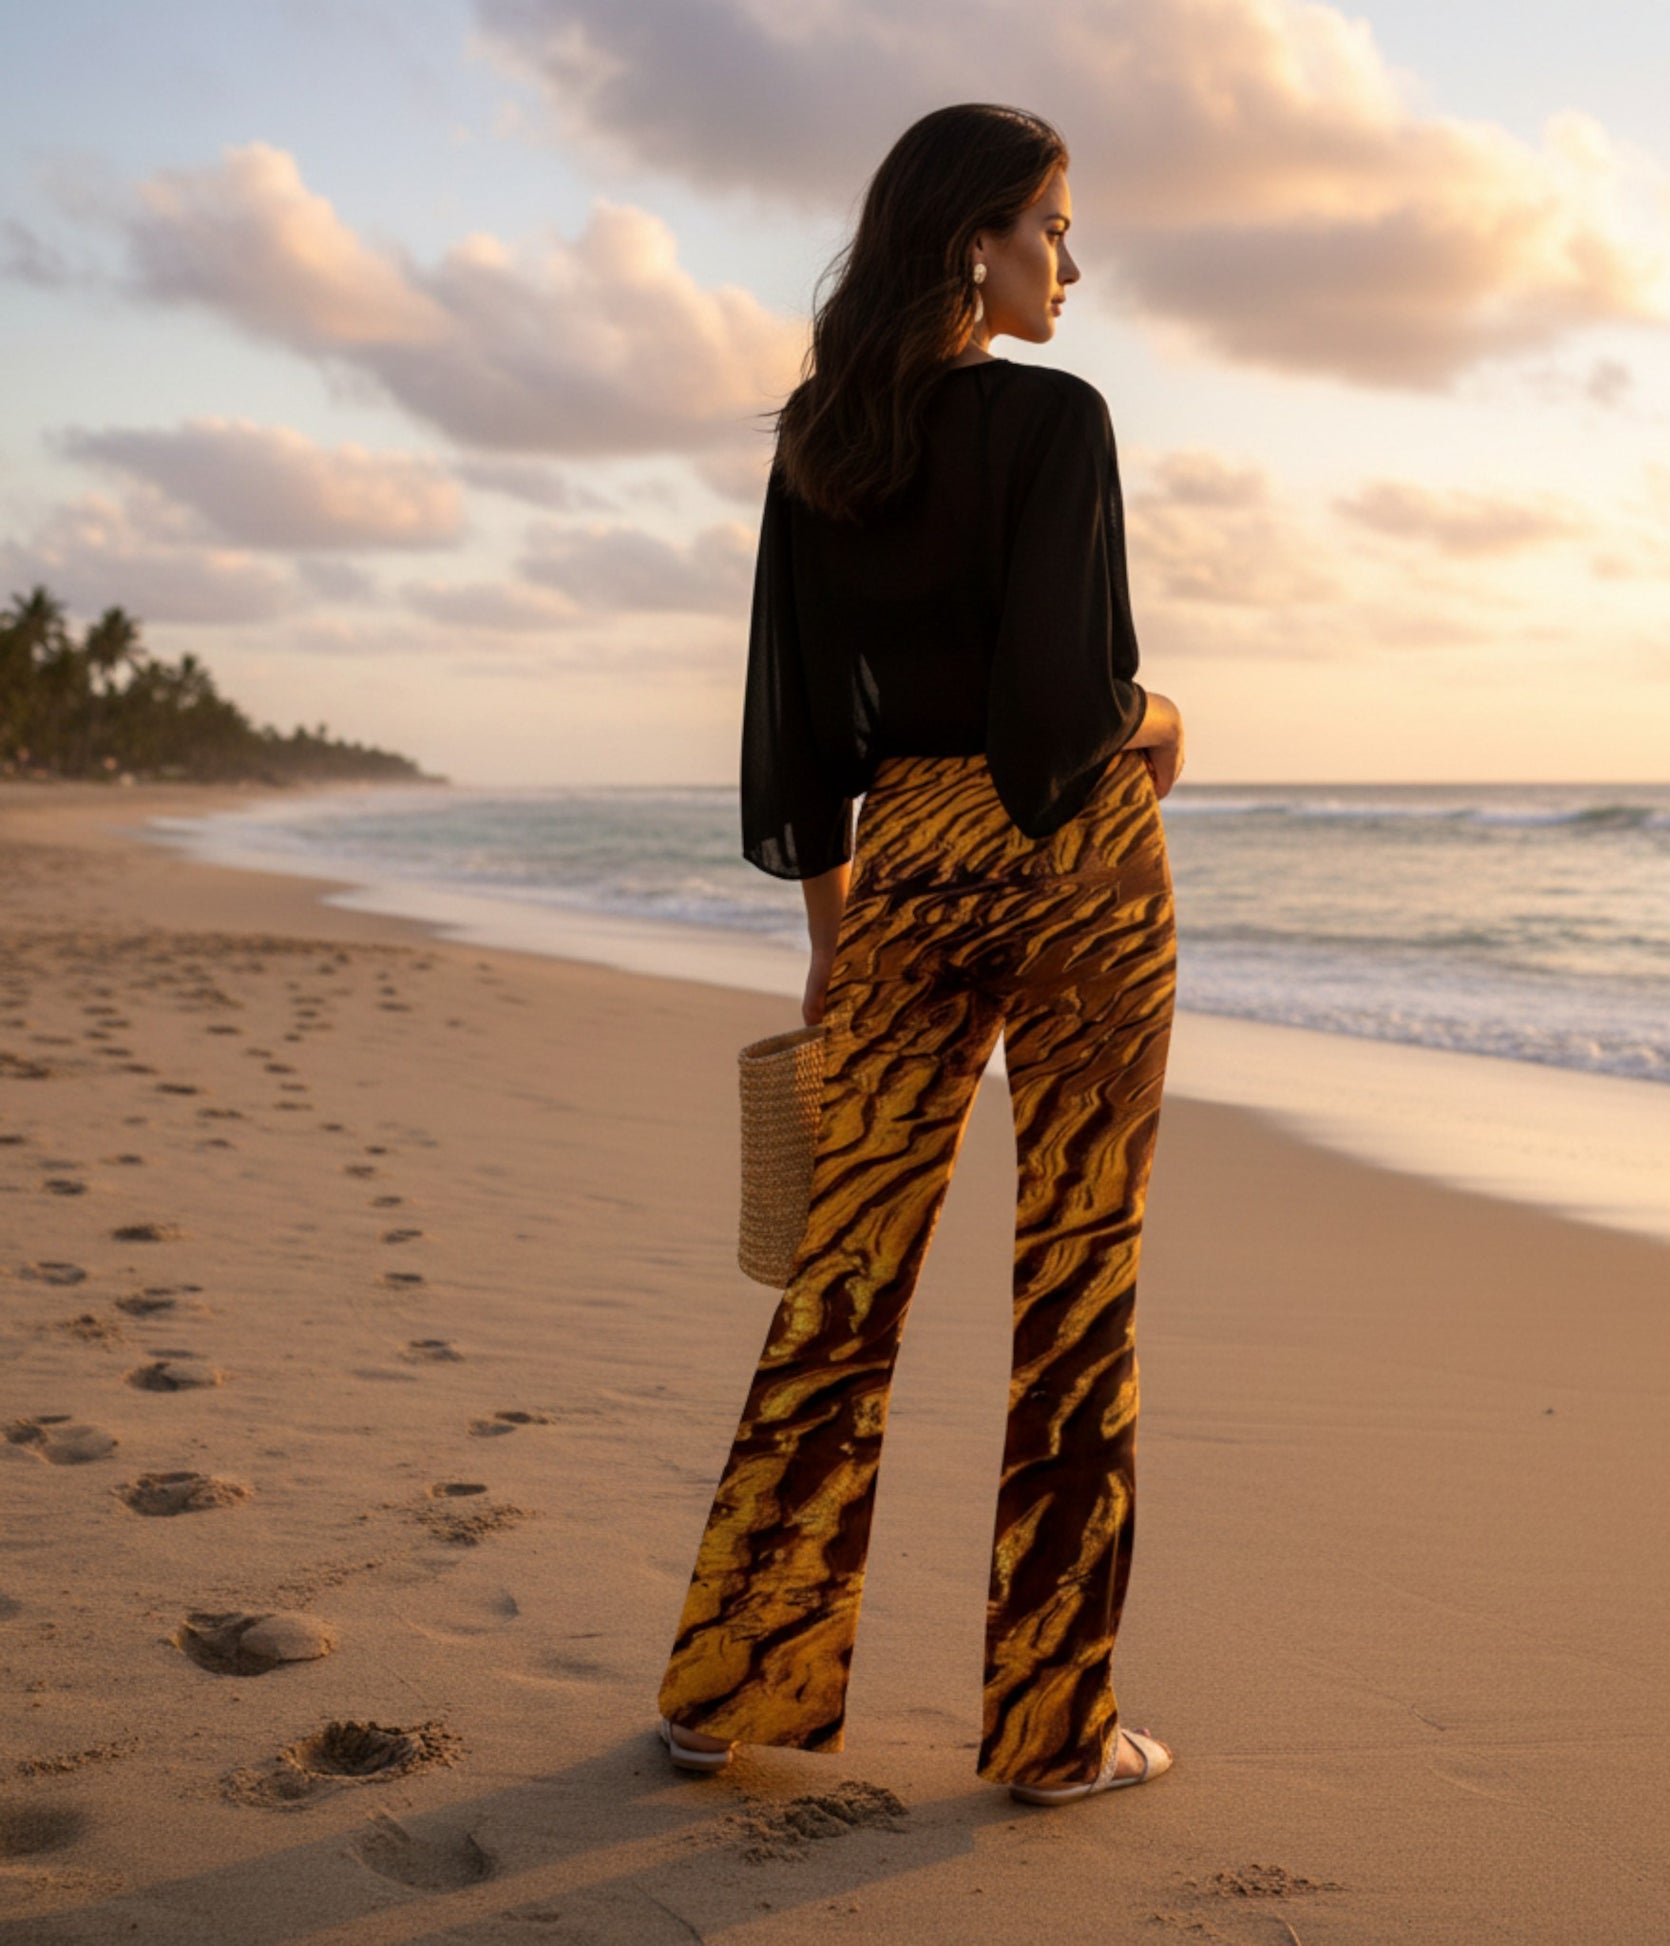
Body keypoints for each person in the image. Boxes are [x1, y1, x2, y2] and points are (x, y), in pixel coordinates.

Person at [655, 102, 1188, 1807]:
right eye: (1052, 226)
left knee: (843, 1280)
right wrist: (1161, 719)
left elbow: (801, 734)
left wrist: (833, 938)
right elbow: (1064, 706)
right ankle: (1051, 1728)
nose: (1070, 265)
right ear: (974, 239)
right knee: (1077, 1276)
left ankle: (728, 1685)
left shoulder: (824, 446)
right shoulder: (1054, 419)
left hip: (899, 872)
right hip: (1075, 866)